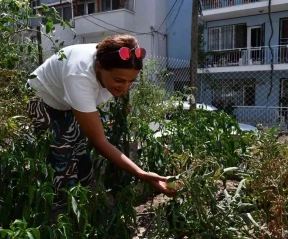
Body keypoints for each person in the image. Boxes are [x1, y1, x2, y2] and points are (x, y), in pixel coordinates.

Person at [26, 34, 179, 207]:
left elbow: (122, 82)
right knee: (62, 162)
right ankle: (57, 214)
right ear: (99, 67)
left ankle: (80, 206)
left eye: (132, 81)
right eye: (119, 81)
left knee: (82, 158)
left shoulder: (111, 64)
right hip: (42, 98)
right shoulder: (80, 77)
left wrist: (122, 104)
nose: (125, 87)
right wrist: (142, 174)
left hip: (66, 102)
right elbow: (100, 142)